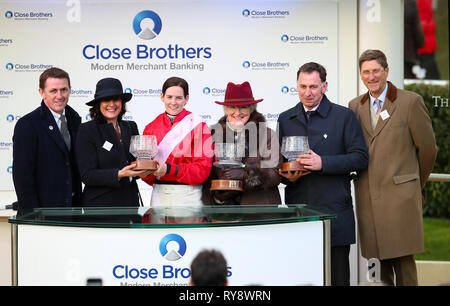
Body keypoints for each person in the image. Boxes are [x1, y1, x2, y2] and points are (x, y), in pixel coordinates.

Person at [349, 49, 437, 286]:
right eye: (366, 72)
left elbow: (428, 150)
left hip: (401, 199)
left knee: (404, 263)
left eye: (376, 70)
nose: (371, 76)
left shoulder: (410, 102)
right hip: (368, 198)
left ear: (386, 71)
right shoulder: (355, 106)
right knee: (378, 268)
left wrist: (414, 183)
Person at [277, 62, 368, 286]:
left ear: (324, 87)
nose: (307, 92)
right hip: (299, 212)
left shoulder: (344, 116)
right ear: (296, 86)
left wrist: (322, 163)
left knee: (337, 279)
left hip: (334, 211)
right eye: (303, 86)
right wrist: (287, 175)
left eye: (313, 87)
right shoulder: (285, 118)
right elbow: (279, 166)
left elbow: (360, 158)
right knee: (301, 278)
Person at [12, 67, 82, 216]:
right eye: (53, 91)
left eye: (64, 90)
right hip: (42, 215)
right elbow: (22, 177)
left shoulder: (75, 120)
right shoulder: (28, 124)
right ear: (41, 92)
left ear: (70, 90)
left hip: (72, 212)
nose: (59, 96)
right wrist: (34, 215)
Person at [203, 81, 282, 205]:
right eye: (232, 107)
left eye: (243, 107)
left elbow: (274, 174)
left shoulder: (267, 135)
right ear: (225, 109)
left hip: (260, 211)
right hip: (225, 213)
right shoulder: (213, 135)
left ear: (251, 108)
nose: (237, 112)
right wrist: (218, 197)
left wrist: (245, 175)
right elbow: (207, 176)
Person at [76, 78, 151, 207]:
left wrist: (144, 169)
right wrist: (120, 174)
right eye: (106, 100)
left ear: (122, 103)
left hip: (130, 204)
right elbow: (87, 175)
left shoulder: (130, 126)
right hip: (100, 207)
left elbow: (136, 163)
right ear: (98, 104)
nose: (112, 104)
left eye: (116, 99)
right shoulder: (86, 130)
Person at [142, 77, 212, 208]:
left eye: (179, 98)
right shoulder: (150, 127)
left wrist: (169, 169)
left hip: (188, 195)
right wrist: (143, 171)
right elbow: (146, 173)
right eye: (169, 97)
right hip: (159, 193)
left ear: (187, 99)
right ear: (162, 97)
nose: (173, 102)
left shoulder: (199, 126)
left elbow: (202, 170)